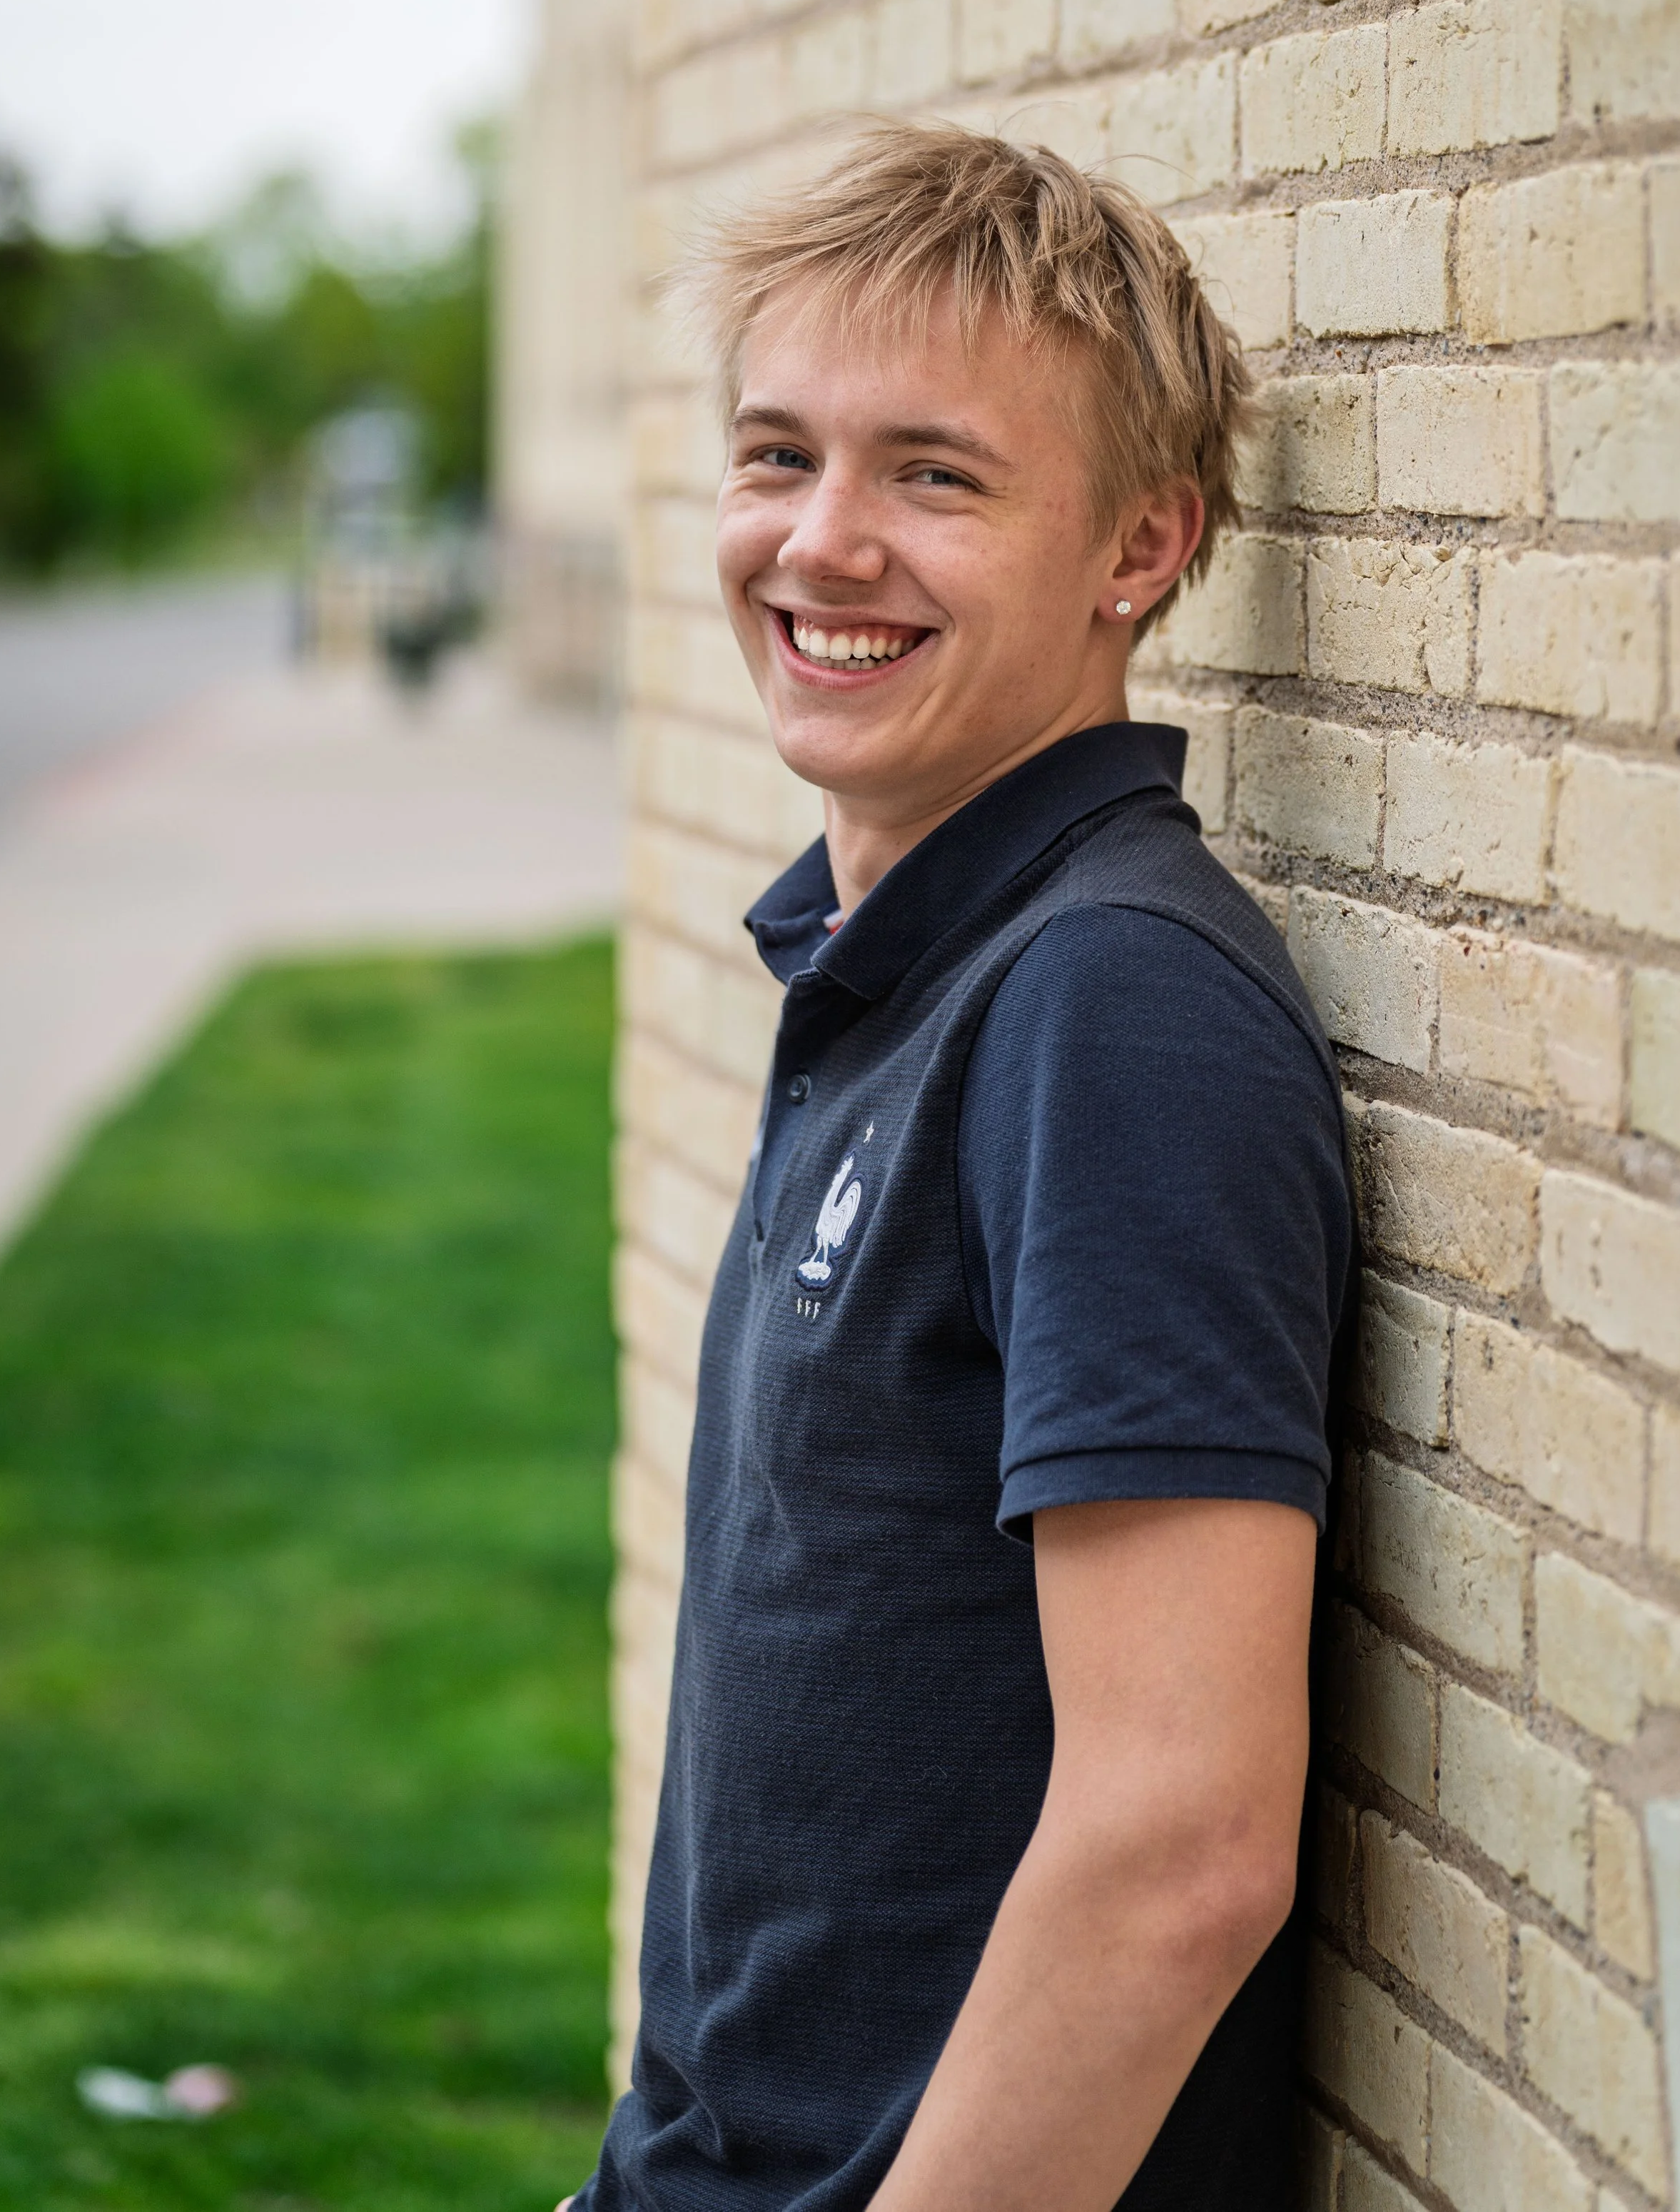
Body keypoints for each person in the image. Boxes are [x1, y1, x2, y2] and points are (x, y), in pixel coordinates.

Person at [564, 123, 1355, 2212]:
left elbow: (1176, 1847)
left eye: (934, 475)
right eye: (774, 455)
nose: (822, 545)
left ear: (1136, 546)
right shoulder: (912, 954)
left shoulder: (1109, 1005)